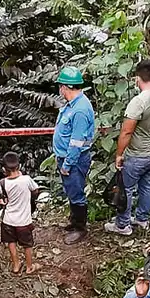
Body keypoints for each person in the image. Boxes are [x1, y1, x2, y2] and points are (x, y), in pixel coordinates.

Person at [106, 59, 150, 236]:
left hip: (138, 154)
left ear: (138, 78)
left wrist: (119, 154)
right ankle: (142, 219)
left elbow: (126, 132)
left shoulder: (139, 101)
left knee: (126, 188)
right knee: (147, 185)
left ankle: (122, 225)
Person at [52, 67, 95, 245]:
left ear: (65, 87)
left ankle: (80, 228)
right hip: (67, 157)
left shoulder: (80, 110)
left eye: (61, 86)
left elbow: (77, 141)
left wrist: (67, 164)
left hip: (75, 160)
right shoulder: (73, 105)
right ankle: (74, 221)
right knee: (71, 191)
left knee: (76, 192)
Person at [0, 152, 41, 274]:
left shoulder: (3, 183)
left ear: (4, 169)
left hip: (8, 220)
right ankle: (29, 267)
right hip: (24, 222)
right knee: (27, 245)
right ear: (20, 166)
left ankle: (16, 266)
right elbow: (35, 190)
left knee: (11, 242)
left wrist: (1, 202)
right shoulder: (26, 180)